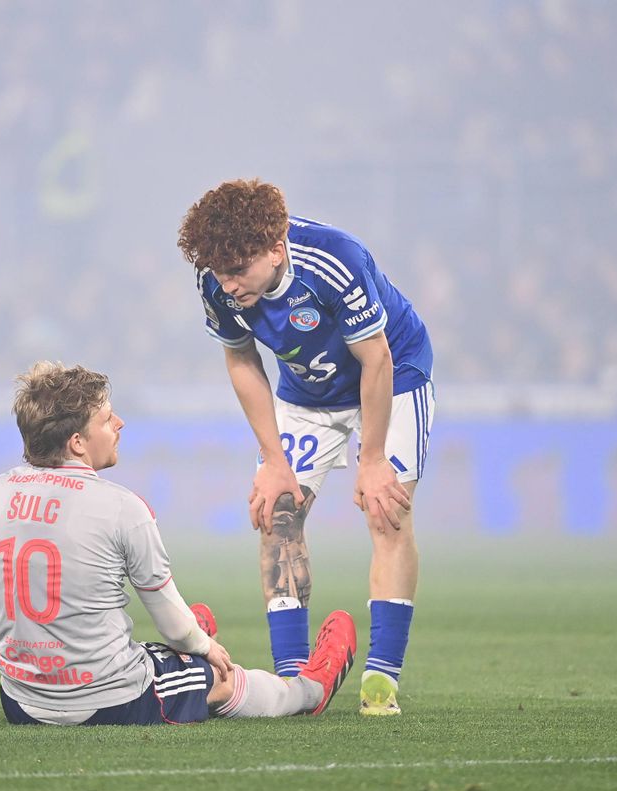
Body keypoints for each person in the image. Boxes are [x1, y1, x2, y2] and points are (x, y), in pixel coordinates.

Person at [0, 361, 357, 725]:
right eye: (105, 418)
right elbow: (172, 624)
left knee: (170, 641)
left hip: (20, 701)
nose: (119, 423)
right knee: (215, 677)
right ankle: (308, 691)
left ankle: (181, 652)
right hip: (109, 700)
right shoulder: (122, 507)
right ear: (78, 442)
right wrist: (201, 646)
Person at [177, 179, 434, 717]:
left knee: (386, 513)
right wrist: (273, 461)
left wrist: (372, 458)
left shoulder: (335, 260)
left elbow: (377, 358)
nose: (228, 285)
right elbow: (242, 360)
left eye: (238, 272)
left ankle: (381, 682)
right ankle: (294, 681)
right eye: (219, 274)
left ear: (276, 249)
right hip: (306, 392)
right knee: (277, 515)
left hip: (393, 374)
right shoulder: (216, 280)